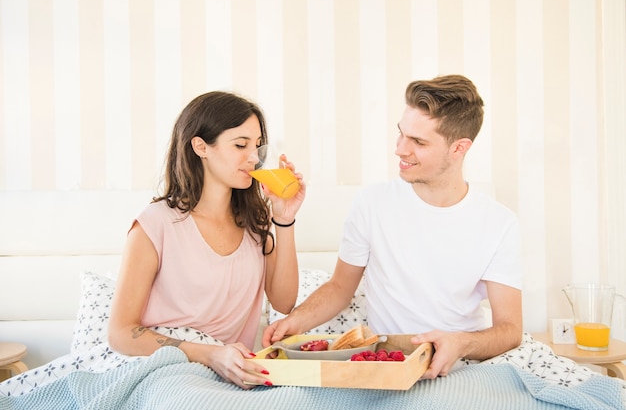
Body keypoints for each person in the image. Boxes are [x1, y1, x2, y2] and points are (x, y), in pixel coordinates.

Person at [262, 74, 523, 379]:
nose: (400, 149)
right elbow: (339, 288)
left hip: (465, 365)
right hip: (391, 364)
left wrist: (461, 343)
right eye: (401, 134)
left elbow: (510, 329)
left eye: (418, 142)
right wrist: (294, 321)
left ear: (458, 148)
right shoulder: (371, 205)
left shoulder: (499, 223)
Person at [108, 91, 306, 389]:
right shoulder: (156, 223)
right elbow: (121, 333)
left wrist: (284, 218)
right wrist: (211, 355)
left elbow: (284, 301)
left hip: (231, 375)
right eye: (240, 145)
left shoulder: (255, 222)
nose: (253, 158)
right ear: (201, 147)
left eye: (256, 146)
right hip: (164, 371)